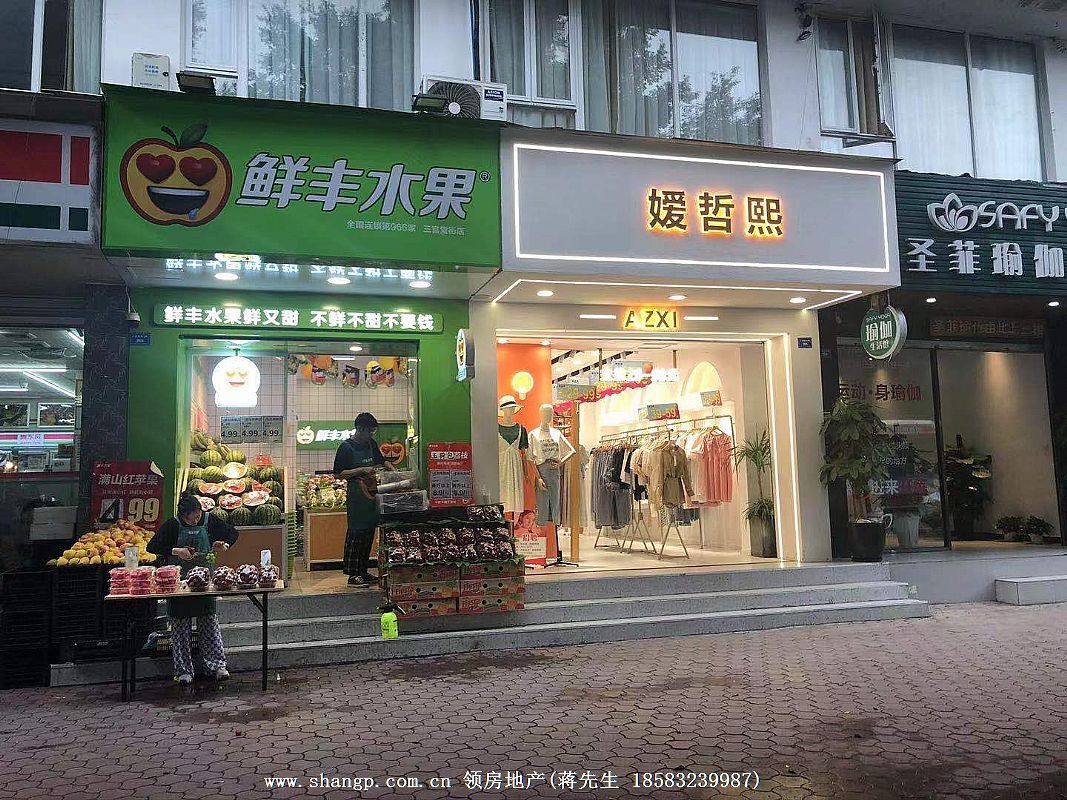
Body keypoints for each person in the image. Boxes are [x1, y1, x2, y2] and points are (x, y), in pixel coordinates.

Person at [147, 494, 239, 684]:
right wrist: (176, 551)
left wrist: (224, 545)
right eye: (191, 519)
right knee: (180, 627)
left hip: (205, 584)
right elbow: (152, 546)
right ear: (182, 516)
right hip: (179, 585)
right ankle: (183, 671)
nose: (195, 520)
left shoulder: (209, 519)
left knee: (209, 622)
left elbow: (232, 533)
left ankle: (216, 665)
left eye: (197, 516)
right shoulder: (173, 525)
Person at [334, 412, 394, 586]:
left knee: (368, 532)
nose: (371, 435)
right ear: (360, 429)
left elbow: (381, 461)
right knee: (356, 533)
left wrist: (392, 469)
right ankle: (353, 575)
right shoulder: (346, 447)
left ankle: (363, 571)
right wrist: (361, 469)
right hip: (356, 496)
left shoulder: (371, 444)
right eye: (370, 431)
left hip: (371, 493)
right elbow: (338, 473)